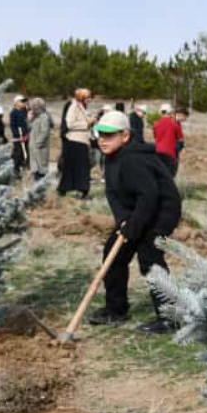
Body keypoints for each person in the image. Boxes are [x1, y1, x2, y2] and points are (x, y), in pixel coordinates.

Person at [85, 110, 182, 333]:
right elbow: (113, 194)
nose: (103, 140)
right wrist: (123, 221)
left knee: (150, 259)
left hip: (161, 213)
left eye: (109, 135)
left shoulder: (133, 159)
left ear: (125, 136)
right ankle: (116, 310)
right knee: (114, 253)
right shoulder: (110, 158)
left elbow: (149, 197)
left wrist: (134, 227)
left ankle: (169, 318)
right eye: (100, 134)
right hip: (138, 211)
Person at [58, 88, 93, 198]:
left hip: (81, 140)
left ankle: (82, 189)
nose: (90, 99)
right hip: (74, 141)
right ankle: (66, 189)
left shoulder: (82, 107)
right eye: (88, 97)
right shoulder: (74, 107)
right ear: (82, 97)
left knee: (81, 166)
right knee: (74, 166)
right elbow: (70, 123)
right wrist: (87, 123)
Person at [153, 103, 183, 176]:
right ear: (170, 113)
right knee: (169, 177)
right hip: (170, 154)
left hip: (157, 153)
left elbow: (155, 137)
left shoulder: (156, 125)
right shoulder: (174, 125)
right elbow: (180, 139)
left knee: (160, 175)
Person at [27, 97, 52, 180]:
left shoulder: (44, 117)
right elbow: (30, 128)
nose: (32, 109)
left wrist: (38, 143)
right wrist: (29, 119)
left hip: (40, 148)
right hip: (35, 148)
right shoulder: (36, 117)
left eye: (33, 107)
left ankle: (40, 187)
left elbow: (44, 132)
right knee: (36, 169)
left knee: (41, 170)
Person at [8, 95, 30, 175]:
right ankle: (16, 170)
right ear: (16, 103)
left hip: (26, 136)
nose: (24, 103)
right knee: (18, 153)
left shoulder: (24, 111)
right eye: (22, 101)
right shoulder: (13, 113)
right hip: (18, 137)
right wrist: (18, 135)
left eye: (24, 101)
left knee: (26, 153)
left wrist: (27, 134)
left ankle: (25, 167)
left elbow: (27, 122)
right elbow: (12, 126)